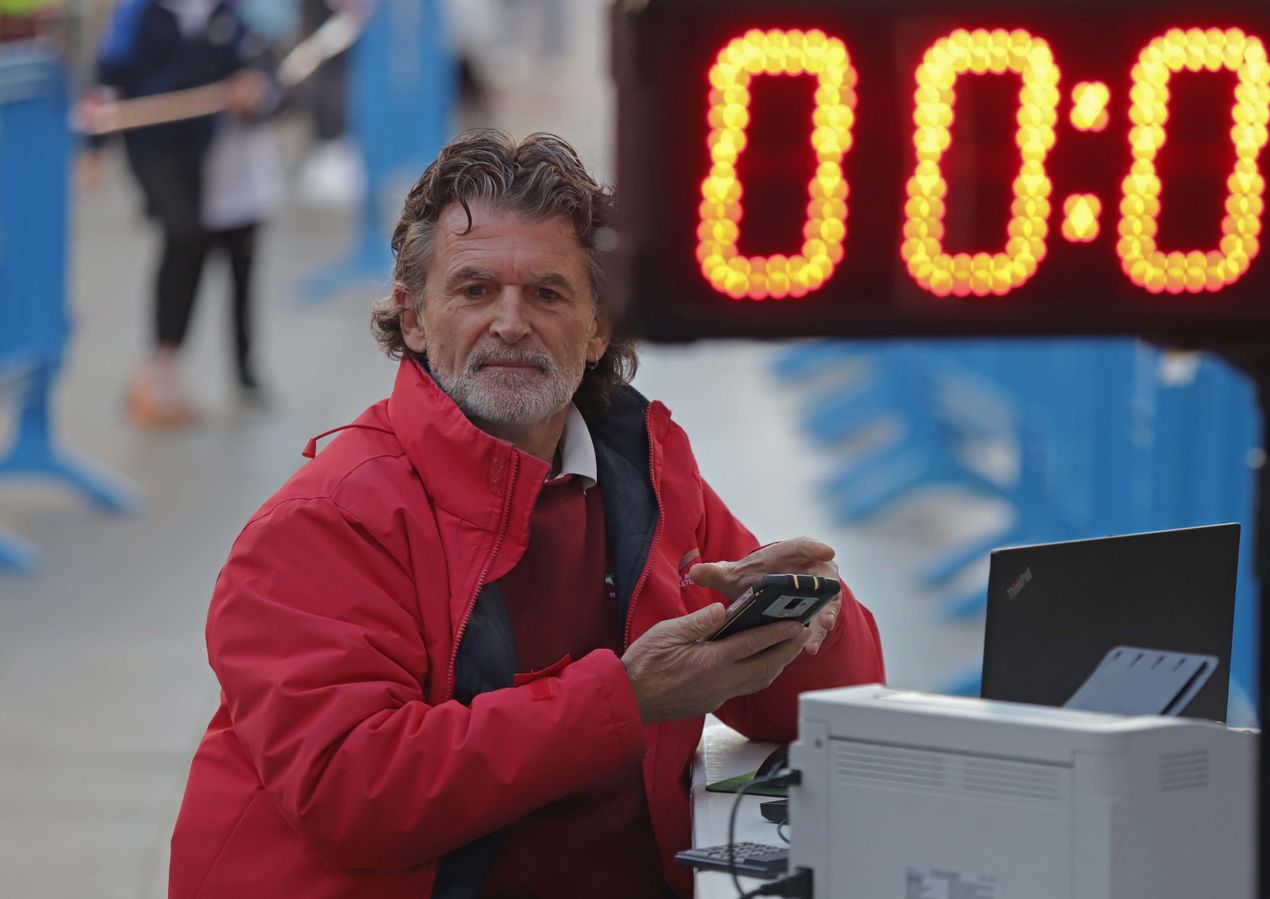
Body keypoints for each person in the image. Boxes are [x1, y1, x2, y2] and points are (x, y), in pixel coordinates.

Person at [166, 130, 886, 898]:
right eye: (475, 290)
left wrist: (813, 620)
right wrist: (622, 698)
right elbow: (352, 794)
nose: (510, 323)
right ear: (413, 319)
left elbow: (832, 710)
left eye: (547, 293)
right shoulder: (322, 524)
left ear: (598, 329)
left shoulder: (648, 474)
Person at [90, 0, 279, 425]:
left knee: (196, 244)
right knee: (185, 233)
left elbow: (260, 67)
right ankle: (156, 364)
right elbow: (106, 78)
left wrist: (253, 89)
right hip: (153, 147)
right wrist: (92, 150)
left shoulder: (224, 14)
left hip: (202, 153)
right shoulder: (138, 12)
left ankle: (167, 361)